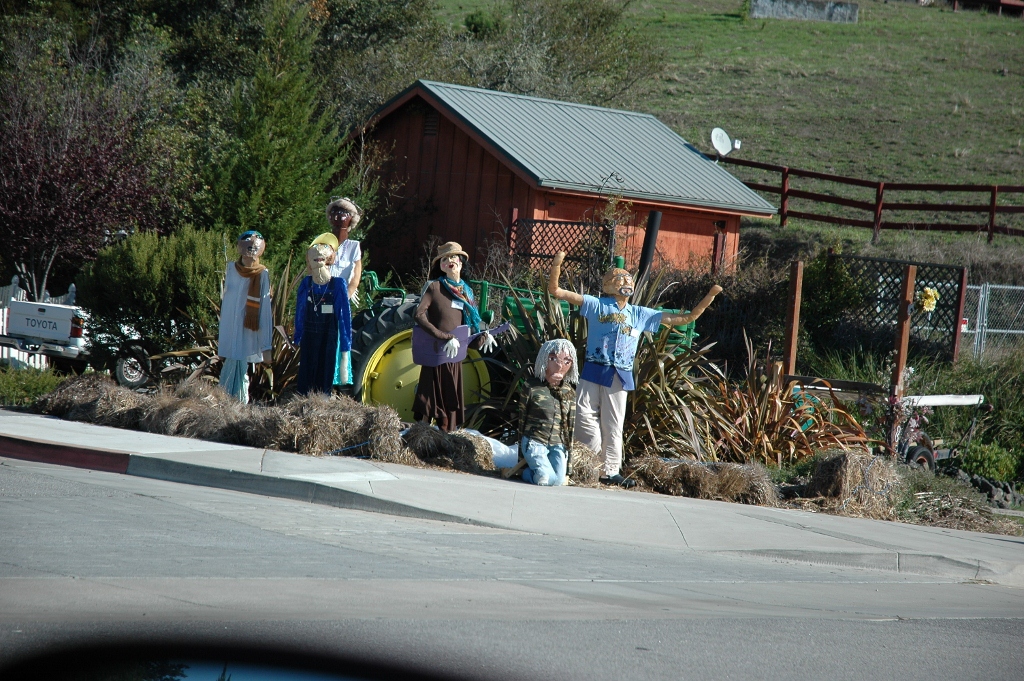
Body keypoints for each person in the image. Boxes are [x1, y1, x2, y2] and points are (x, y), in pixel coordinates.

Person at [548, 252, 723, 487]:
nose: (626, 283)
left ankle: (610, 471)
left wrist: (709, 297)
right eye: (620, 280)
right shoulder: (597, 304)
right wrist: (557, 265)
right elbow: (557, 291)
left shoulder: (640, 314)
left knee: (614, 423)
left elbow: (685, 318)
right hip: (593, 369)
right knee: (583, 416)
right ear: (608, 285)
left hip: (620, 374)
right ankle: (590, 464)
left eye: (628, 280)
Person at [412, 241, 496, 432]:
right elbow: (418, 315)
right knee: (429, 394)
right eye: (445, 258)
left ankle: (447, 436)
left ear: (461, 262)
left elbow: (471, 322)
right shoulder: (434, 287)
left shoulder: (467, 292)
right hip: (435, 352)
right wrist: (443, 336)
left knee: (450, 396)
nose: (450, 261)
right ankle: (421, 434)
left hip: (454, 354)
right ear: (440, 265)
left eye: (453, 257)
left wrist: (483, 335)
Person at [217, 231, 272, 403]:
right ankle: (224, 402)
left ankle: (238, 405)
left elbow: (264, 311)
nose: (250, 255)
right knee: (230, 367)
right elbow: (226, 304)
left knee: (241, 372)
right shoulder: (231, 270)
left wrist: (266, 346)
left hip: (247, 331)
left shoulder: (262, 275)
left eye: (254, 250)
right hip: (230, 329)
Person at [294, 234, 352, 395]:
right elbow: (300, 310)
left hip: (329, 332)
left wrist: (346, 344)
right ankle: (303, 398)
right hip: (309, 332)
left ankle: (323, 399)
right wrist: (298, 335)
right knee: (307, 366)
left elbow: (344, 316)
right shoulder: (307, 283)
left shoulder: (338, 284)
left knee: (326, 366)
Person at [517, 338, 578, 487]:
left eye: (566, 361)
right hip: (535, 440)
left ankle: (535, 473)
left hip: (558, 444)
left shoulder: (569, 392)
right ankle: (527, 474)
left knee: (557, 481)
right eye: (553, 359)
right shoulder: (531, 387)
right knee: (547, 479)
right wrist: (520, 458)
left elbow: (570, 427)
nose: (559, 365)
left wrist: (568, 467)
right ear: (544, 360)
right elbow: (522, 419)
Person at [325, 198, 363, 390]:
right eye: (336, 212)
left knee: (340, 339)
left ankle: (337, 381)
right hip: (322, 298)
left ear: (351, 219)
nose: (339, 217)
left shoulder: (354, 247)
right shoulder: (322, 242)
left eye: (345, 213)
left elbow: (355, 277)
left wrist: (344, 297)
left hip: (341, 301)